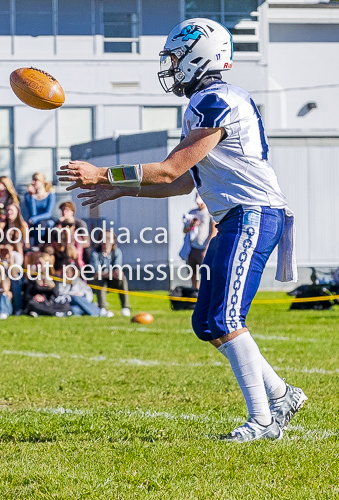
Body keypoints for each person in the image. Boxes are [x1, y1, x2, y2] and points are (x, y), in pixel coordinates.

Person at [59, 18, 306, 442]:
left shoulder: (218, 99)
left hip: (252, 213)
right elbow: (182, 182)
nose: (171, 68)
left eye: (176, 59)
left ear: (198, 56)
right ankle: (281, 395)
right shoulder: (206, 102)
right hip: (236, 217)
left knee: (226, 317)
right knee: (207, 322)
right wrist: (120, 189)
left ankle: (264, 421)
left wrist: (102, 172)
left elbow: (170, 168)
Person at [89, 232, 131, 317]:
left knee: (122, 278)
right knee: (100, 279)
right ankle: (103, 308)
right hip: (95, 283)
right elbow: (97, 273)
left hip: (111, 281)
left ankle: (125, 307)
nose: (105, 241)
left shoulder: (117, 252)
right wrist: (111, 274)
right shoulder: (95, 254)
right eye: (103, 239)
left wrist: (117, 273)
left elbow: (117, 268)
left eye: (108, 239)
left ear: (113, 241)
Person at [184, 194, 215, 289]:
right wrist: (191, 224)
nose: (199, 205)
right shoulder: (192, 213)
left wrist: (208, 247)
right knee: (193, 272)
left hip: (204, 248)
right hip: (192, 247)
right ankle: (195, 291)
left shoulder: (210, 213)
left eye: (200, 203)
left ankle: (204, 291)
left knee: (205, 272)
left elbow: (214, 231)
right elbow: (185, 231)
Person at [25, 172, 56, 246]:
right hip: (34, 221)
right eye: (33, 180)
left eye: (36, 180)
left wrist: (36, 218)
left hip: (45, 218)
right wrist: (32, 197)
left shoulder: (50, 194)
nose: (33, 182)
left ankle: (39, 245)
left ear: (42, 182)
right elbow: (33, 213)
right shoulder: (28, 196)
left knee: (41, 224)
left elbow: (49, 213)